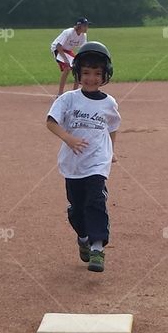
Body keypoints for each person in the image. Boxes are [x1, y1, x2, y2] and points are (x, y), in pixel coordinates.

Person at [46, 41, 120, 273]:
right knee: (77, 209)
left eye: (97, 73)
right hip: (73, 164)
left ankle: (98, 247)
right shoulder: (67, 99)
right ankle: (84, 238)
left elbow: (112, 127)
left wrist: (111, 152)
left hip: (97, 163)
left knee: (96, 201)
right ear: (78, 73)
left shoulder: (109, 103)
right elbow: (50, 122)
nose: (91, 78)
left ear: (105, 75)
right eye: (86, 73)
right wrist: (68, 138)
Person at [50, 17, 90, 96]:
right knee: (67, 68)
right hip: (57, 49)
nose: (87, 28)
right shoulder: (68, 32)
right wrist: (66, 60)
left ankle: (74, 94)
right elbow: (58, 46)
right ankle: (60, 94)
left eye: (87, 26)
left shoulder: (83, 35)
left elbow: (83, 49)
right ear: (79, 26)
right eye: (85, 26)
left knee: (78, 68)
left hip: (68, 51)